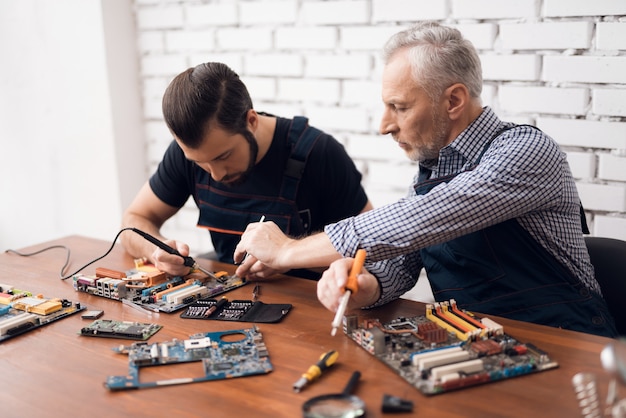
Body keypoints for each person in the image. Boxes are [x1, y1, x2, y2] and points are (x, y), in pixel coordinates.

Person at [234, 22, 618, 338]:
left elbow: (422, 219)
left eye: (398, 107)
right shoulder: (433, 171)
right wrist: (364, 285)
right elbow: (400, 264)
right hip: (484, 343)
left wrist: (288, 252)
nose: (384, 125)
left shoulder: (526, 152)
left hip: (569, 343)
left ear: (453, 101)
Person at [121, 62, 373, 279]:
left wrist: (290, 254)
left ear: (251, 121)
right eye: (200, 163)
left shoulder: (319, 153)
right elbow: (134, 220)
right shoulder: (185, 154)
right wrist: (156, 249)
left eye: (223, 156)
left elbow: (371, 252)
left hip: (314, 308)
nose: (216, 175)